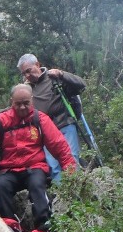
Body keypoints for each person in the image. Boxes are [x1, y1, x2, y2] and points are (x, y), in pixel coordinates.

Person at [0, 84, 77, 232]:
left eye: (26, 103)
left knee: (37, 185)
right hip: (9, 170)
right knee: (1, 187)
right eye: (18, 104)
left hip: (35, 167)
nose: (22, 107)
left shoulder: (40, 119)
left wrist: (70, 170)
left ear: (32, 100)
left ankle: (43, 225)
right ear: (11, 102)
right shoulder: (2, 120)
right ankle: (10, 228)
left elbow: (59, 146)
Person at [18, 54, 87, 182]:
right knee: (53, 167)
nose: (27, 75)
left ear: (37, 65)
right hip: (46, 132)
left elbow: (81, 84)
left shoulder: (53, 77)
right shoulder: (27, 90)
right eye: (24, 73)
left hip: (65, 125)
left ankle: (77, 194)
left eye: (28, 71)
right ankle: (63, 198)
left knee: (71, 159)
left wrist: (62, 74)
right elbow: (17, 108)